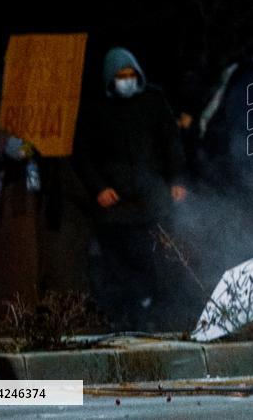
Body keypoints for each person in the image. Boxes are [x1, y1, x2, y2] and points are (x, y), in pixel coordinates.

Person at [73, 47, 187, 330]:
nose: (126, 79)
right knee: (120, 266)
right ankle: (128, 318)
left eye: (130, 74)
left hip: (153, 198)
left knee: (161, 259)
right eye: (120, 75)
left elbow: (171, 142)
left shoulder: (153, 100)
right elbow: (84, 153)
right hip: (116, 205)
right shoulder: (97, 108)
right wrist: (99, 187)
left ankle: (163, 317)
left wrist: (176, 180)